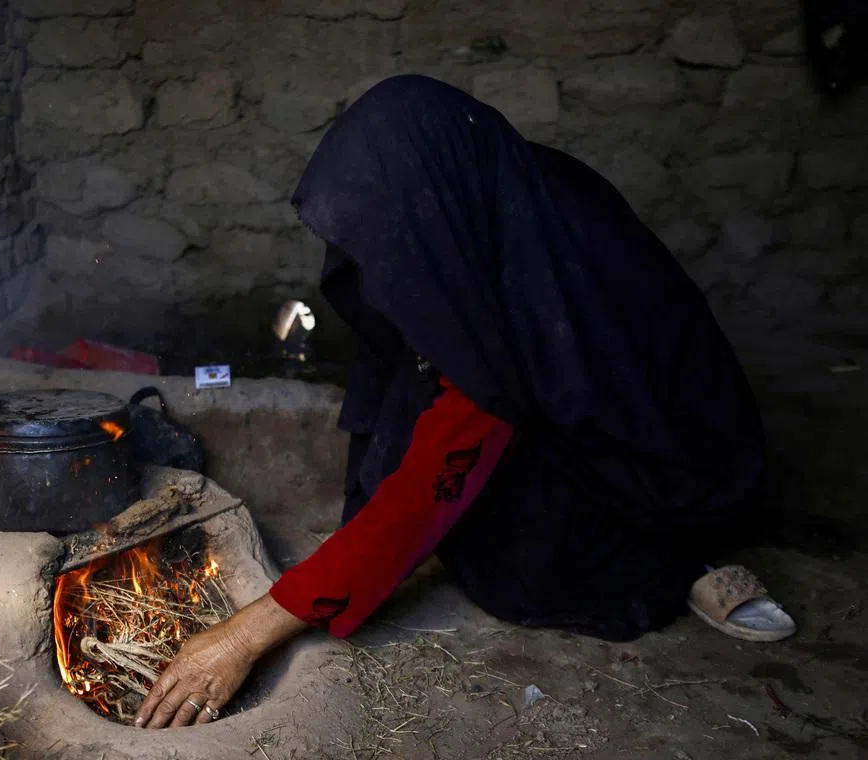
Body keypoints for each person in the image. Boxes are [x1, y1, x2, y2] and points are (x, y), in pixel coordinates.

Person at [135, 74, 795, 730]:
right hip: (557, 392)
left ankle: (686, 557)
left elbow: (433, 478)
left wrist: (243, 636)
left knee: (520, 552)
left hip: (660, 449)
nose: (381, 258)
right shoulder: (476, 202)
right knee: (413, 378)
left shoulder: (534, 275)